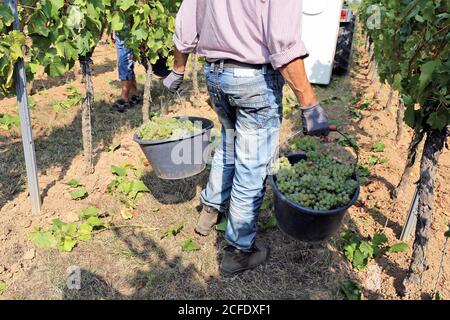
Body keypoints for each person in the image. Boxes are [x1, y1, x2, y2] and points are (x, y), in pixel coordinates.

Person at [163, 0, 330, 276]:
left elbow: (186, 21)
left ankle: (209, 212)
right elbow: (283, 43)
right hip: (253, 79)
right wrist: (309, 104)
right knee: (251, 167)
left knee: (228, 143)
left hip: (215, 74)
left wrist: (178, 69)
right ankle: (238, 251)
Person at [111, 33, 141, 112]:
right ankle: (135, 95)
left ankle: (124, 100)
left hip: (128, 30)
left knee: (124, 63)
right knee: (126, 63)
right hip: (120, 31)